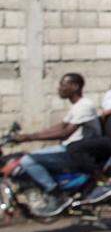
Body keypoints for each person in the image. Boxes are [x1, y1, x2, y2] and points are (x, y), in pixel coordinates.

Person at [11, 72, 100, 216]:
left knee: (27, 161)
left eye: (63, 85)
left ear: (75, 86)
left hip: (76, 152)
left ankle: (56, 194)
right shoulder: (76, 106)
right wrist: (31, 135)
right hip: (69, 148)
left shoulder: (85, 106)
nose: (59, 88)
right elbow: (60, 126)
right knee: (27, 157)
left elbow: (65, 133)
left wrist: (30, 137)